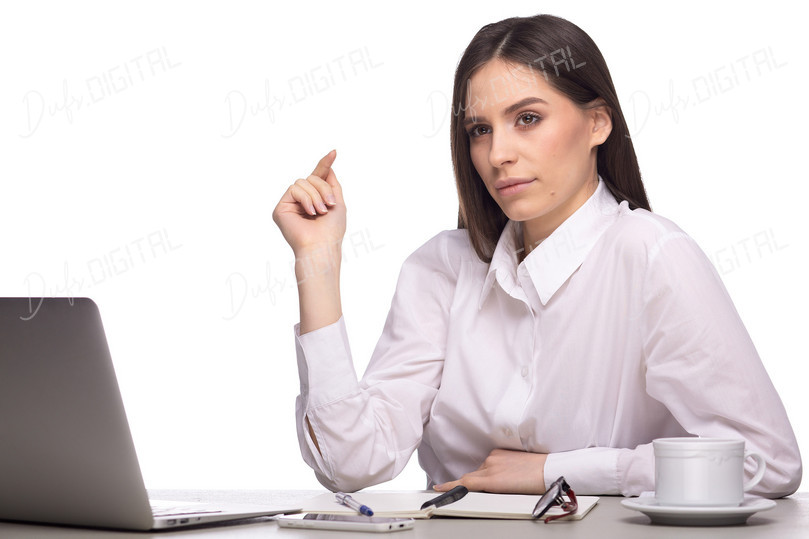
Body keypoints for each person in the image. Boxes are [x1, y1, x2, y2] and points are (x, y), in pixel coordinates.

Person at [272, 14, 802, 496]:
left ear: (597, 123)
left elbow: (767, 463)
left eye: (527, 118)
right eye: (480, 129)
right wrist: (317, 263)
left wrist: (559, 470)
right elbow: (350, 464)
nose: (498, 153)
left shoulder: (653, 257)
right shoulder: (439, 268)